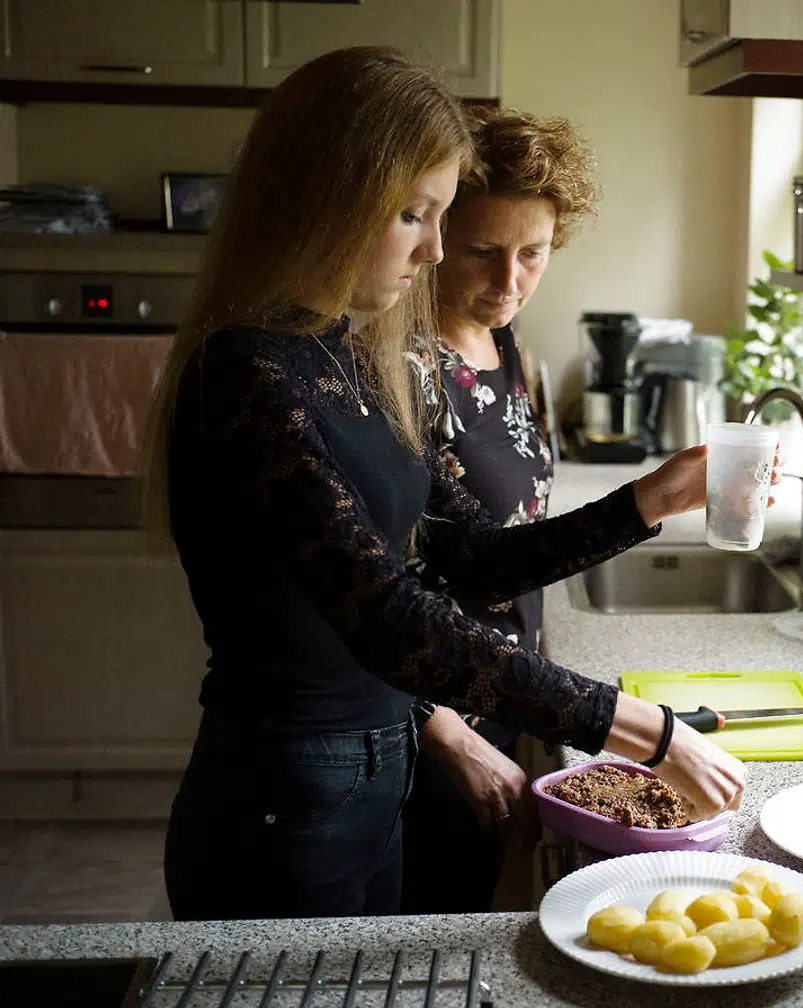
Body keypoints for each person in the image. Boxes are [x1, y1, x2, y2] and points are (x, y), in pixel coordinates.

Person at [149, 46, 747, 921]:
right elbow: (388, 614)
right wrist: (637, 728)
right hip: (284, 792)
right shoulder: (247, 374)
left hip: (372, 772)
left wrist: (646, 503)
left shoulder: (347, 357)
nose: (433, 250)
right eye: (413, 215)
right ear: (326, 200)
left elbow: (467, 562)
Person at [398, 107, 597, 913]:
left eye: (533, 254)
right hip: (430, 725)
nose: (509, 280)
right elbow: (374, 584)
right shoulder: (403, 368)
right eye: (483, 251)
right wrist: (446, 731)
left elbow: (499, 539)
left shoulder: (503, 340)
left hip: (498, 698)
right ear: (439, 233)